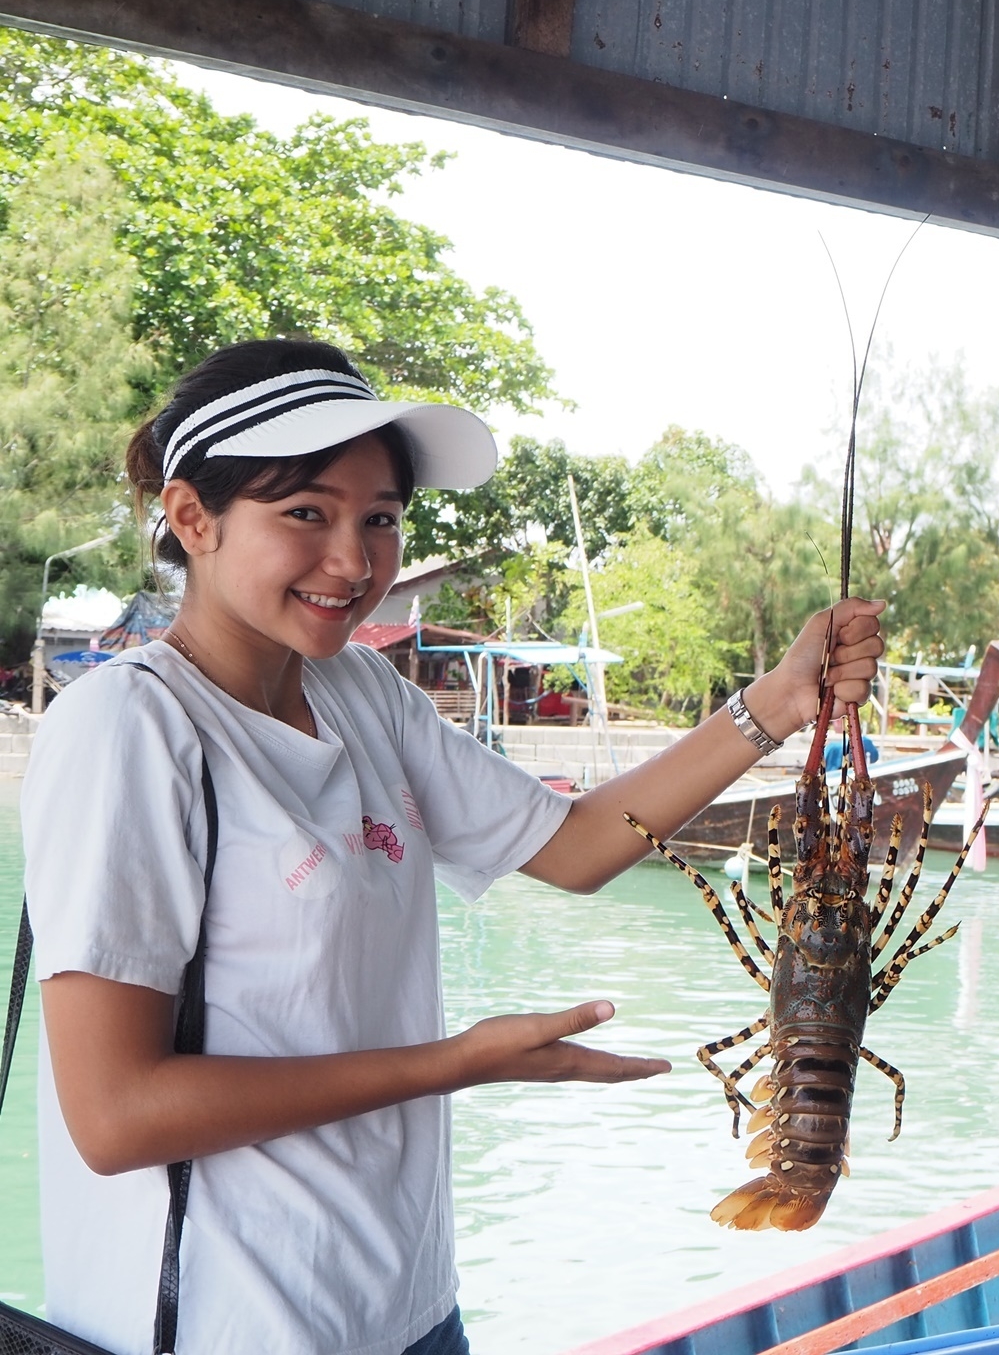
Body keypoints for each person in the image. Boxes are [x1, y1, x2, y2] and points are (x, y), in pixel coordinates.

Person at [23, 339, 885, 1355]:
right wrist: (455, 1063)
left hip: (407, 1306)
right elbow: (117, 1115)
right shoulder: (131, 728)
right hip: (230, 1325)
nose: (354, 562)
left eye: (379, 519)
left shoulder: (358, 692)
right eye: (306, 514)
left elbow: (572, 845)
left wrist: (775, 705)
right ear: (192, 518)